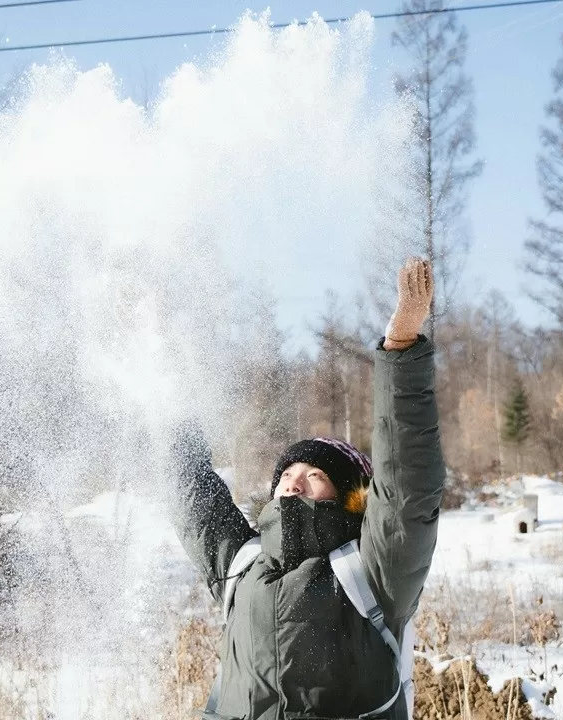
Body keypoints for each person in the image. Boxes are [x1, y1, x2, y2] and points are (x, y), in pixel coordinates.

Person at [173, 258, 445, 720]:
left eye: (315, 475)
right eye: (286, 474)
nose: (294, 479)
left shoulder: (374, 572)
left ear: (347, 496)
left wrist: (401, 350)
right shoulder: (242, 566)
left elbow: (407, 489)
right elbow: (191, 492)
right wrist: (167, 391)